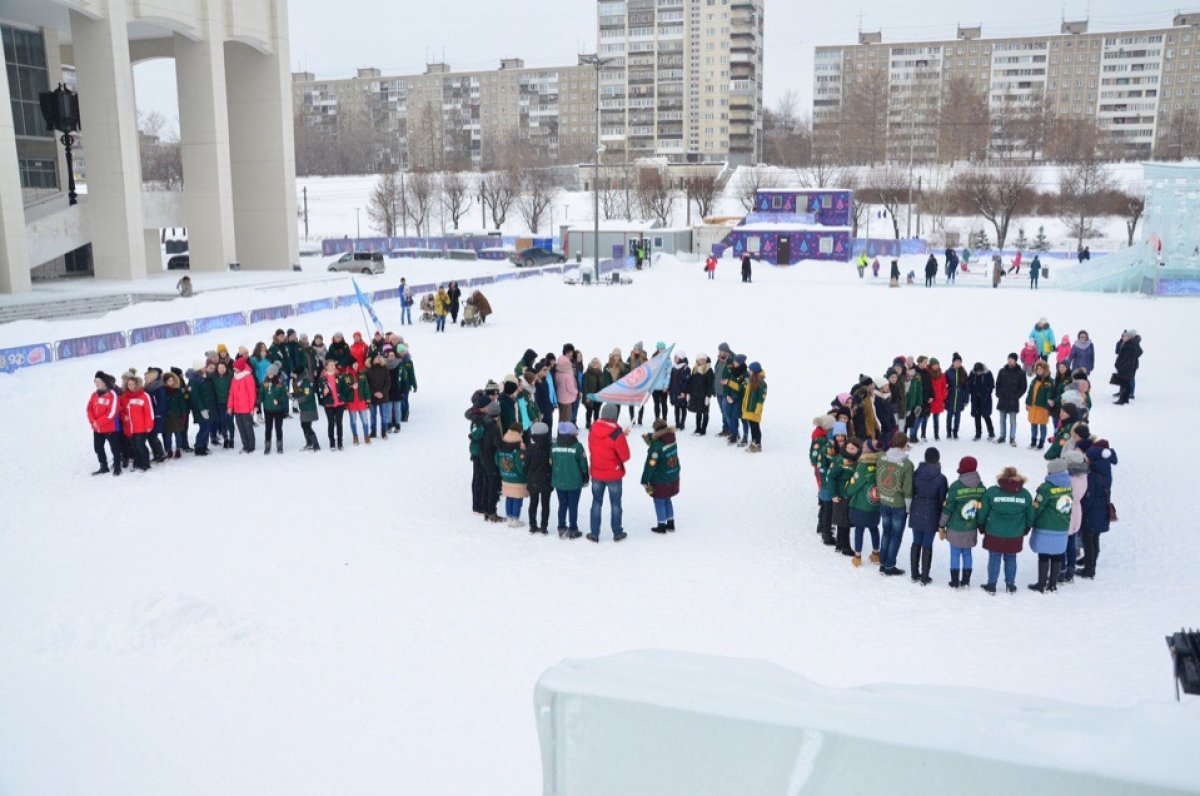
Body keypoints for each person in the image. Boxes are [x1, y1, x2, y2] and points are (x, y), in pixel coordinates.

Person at [977, 466, 1035, 595]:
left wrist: (981, 525)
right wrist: (1026, 528)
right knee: (1011, 557)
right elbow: (1030, 515)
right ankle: (1010, 585)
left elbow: (983, 511)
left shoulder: (992, 492)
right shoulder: (1025, 495)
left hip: (994, 532)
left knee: (994, 557)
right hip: (1015, 533)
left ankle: (991, 585)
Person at [587, 403, 631, 542]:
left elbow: (596, 446)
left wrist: (621, 436)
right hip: (613, 474)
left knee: (596, 502)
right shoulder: (616, 434)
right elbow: (625, 456)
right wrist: (621, 438)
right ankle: (617, 532)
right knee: (616, 504)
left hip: (596, 472)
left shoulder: (593, 429)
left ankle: (594, 534)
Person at [1028, 458, 1073, 592]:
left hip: (1046, 526)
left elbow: (1037, 507)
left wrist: (1030, 520)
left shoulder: (1046, 488)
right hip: (1062, 526)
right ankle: (1052, 584)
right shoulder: (1069, 486)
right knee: (1058, 555)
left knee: (1044, 555)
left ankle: (1041, 584)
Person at [939, 456, 984, 589]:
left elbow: (948, 509)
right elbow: (982, 508)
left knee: (955, 553)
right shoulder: (981, 487)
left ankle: (954, 581)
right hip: (970, 527)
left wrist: (941, 525)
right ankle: (966, 580)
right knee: (967, 553)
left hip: (955, 527)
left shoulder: (956, 487)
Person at [876, 432, 914, 577]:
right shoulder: (907, 464)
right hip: (898, 505)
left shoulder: (882, 458)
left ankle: (882, 562)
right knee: (896, 535)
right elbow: (907, 488)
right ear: (904, 445)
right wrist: (908, 507)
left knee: (886, 532)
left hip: (884, 500)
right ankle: (890, 565)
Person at [1077, 440, 1117, 579]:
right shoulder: (1105, 469)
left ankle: (1089, 569)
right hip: (1101, 510)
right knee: (1095, 538)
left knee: (1088, 539)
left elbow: (1089, 497)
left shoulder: (1092, 475)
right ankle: (1090, 562)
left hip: (1092, 512)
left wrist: (1082, 510)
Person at [909, 446, 948, 585]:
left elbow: (911, 490)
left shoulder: (916, 473)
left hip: (917, 509)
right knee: (927, 544)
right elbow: (942, 498)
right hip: (931, 512)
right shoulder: (940, 478)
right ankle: (925, 576)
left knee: (916, 541)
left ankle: (914, 573)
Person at [641, 418, 681, 533]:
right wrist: (649, 436)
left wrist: (645, 480)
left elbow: (651, 465)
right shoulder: (671, 439)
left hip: (660, 479)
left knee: (659, 500)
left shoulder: (656, 447)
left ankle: (661, 525)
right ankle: (670, 522)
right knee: (667, 499)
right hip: (672, 476)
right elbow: (658, 437)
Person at [847, 439, 882, 568]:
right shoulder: (880, 464)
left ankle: (857, 556)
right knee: (874, 528)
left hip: (861, 505)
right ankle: (876, 553)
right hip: (875, 505)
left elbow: (853, 486)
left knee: (859, 530)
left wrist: (848, 489)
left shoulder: (862, 466)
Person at [551, 421, 588, 538]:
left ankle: (561, 527)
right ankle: (573, 529)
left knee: (562, 504)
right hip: (574, 482)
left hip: (559, 481)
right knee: (573, 505)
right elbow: (583, 464)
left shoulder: (554, 447)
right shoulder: (577, 447)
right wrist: (585, 476)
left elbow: (552, 462)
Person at [1060, 447, 1089, 585]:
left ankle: (1061, 570)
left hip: (1067, 509)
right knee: (1071, 542)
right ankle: (1070, 570)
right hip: (1077, 510)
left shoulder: (1068, 478)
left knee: (1062, 543)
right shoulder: (1083, 476)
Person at [118, 371, 154, 472]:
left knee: (140, 445)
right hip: (129, 427)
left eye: (133, 384)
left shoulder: (144, 395)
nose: (131, 386)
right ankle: (137, 463)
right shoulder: (124, 397)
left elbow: (149, 412)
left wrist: (149, 425)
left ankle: (145, 464)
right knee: (134, 447)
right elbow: (120, 410)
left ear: (137, 384)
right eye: (129, 384)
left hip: (141, 427)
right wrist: (124, 416)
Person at [88, 372, 122, 476]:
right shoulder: (94, 395)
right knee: (98, 447)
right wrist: (93, 422)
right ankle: (103, 466)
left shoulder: (112, 394)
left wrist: (98, 422)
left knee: (114, 448)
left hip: (110, 428)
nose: (97, 384)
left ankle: (117, 467)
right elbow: (89, 409)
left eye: (99, 382)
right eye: (96, 382)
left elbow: (112, 412)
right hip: (97, 429)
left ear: (104, 382)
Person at [496, 423, 529, 528]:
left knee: (509, 497)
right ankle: (515, 519)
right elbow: (521, 466)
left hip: (506, 477)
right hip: (517, 479)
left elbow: (496, 460)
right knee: (517, 498)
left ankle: (509, 517)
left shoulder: (502, 447)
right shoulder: (518, 450)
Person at [525, 421, 553, 535]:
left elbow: (526, 465)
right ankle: (544, 525)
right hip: (546, 479)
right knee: (545, 504)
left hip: (533, 479)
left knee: (533, 503)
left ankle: (532, 524)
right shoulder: (550, 447)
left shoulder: (530, 448)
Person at [995, 353, 1027, 448]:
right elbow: (998, 384)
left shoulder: (1020, 372)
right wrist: (998, 393)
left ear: (1015, 360)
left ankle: (1012, 437)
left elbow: (1023, 387)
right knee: (1002, 419)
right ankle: (1002, 436)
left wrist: (1017, 396)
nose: (1010, 360)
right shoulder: (1002, 371)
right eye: (1009, 358)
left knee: (1013, 420)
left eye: (1012, 359)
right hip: (1003, 399)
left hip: (1013, 400)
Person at [479, 402, 504, 522]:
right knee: (493, 486)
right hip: (491, 459)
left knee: (486, 483)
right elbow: (499, 445)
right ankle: (491, 511)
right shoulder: (494, 428)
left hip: (482, 457)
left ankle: (486, 510)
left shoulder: (483, 423)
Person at [317, 359, 350, 451]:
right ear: (326, 366)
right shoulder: (322, 378)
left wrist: (343, 397)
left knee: (339, 423)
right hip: (329, 404)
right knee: (331, 424)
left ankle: (340, 443)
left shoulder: (339, 376)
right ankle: (332, 443)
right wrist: (323, 393)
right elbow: (319, 392)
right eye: (331, 365)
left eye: (334, 365)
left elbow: (345, 388)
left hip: (340, 404)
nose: (333, 366)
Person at [228, 358, 258, 453]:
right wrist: (230, 406)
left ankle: (251, 446)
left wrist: (251, 408)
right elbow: (231, 393)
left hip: (246, 408)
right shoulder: (234, 378)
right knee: (241, 427)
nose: (234, 369)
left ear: (240, 368)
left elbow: (252, 394)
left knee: (248, 427)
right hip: (237, 409)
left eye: (235, 367)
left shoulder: (248, 377)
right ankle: (245, 445)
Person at [1025, 360, 1051, 450]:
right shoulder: (1034, 380)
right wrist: (1028, 403)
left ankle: (1041, 442)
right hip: (1033, 407)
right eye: (1037, 369)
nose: (1039, 370)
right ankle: (1033, 441)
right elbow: (1030, 393)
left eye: (1041, 369)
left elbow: (1050, 395)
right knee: (1033, 424)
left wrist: (1048, 407)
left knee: (1042, 425)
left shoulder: (1049, 381)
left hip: (1042, 408)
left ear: (1045, 369)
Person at [741, 361, 767, 452]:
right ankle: (753, 443)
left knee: (755, 427)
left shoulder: (761, 383)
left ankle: (757, 444)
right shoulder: (750, 380)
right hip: (748, 409)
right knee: (752, 427)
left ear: (755, 371)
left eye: (750, 370)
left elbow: (761, 398)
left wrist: (758, 410)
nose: (749, 371)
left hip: (754, 410)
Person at [261, 371, 289, 454]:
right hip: (268, 410)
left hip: (278, 410)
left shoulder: (280, 384)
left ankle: (279, 446)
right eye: (268, 373)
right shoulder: (264, 384)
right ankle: (267, 446)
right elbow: (261, 395)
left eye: (271, 373)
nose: (269, 375)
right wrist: (256, 404)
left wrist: (279, 400)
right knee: (268, 428)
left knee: (278, 428)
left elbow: (284, 395)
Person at [366, 355, 392, 439]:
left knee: (384, 415)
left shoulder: (385, 369)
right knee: (372, 415)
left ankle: (384, 432)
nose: (378, 359)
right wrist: (374, 393)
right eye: (376, 358)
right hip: (372, 396)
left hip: (383, 396)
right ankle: (373, 432)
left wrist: (382, 393)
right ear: (372, 360)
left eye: (379, 358)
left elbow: (388, 383)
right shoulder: (368, 370)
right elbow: (367, 384)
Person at [688, 354, 714, 436]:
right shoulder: (695, 369)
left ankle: (703, 430)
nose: (702, 361)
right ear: (697, 360)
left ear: (706, 360)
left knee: (705, 412)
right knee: (698, 412)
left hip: (704, 395)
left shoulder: (709, 370)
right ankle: (697, 428)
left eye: (703, 359)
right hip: (695, 394)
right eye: (700, 359)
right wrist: (689, 393)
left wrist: (708, 396)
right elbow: (691, 382)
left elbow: (710, 384)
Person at [1113, 330, 1142, 405]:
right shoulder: (1133, 343)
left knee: (1124, 383)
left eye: (1125, 336)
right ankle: (1125, 398)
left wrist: (1119, 364)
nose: (1123, 337)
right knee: (1126, 382)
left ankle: (1122, 400)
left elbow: (1124, 357)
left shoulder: (1130, 345)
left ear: (1129, 337)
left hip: (1126, 367)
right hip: (1129, 366)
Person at [294, 371, 320, 452]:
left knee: (307, 426)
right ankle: (309, 443)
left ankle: (316, 445)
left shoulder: (306, 383)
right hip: (304, 408)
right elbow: (300, 393)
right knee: (304, 425)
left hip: (309, 408)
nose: (293, 375)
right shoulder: (299, 382)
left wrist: (298, 400)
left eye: (295, 374)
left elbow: (307, 396)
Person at [944, 354, 968, 440]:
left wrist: (966, 400)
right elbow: (944, 385)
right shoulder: (948, 372)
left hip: (960, 398)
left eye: (960, 362)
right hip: (950, 397)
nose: (958, 363)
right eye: (956, 361)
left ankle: (955, 432)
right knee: (949, 416)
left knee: (958, 416)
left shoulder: (963, 372)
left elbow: (966, 387)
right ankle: (948, 432)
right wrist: (944, 398)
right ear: (953, 362)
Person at [555, 344, 579, 424]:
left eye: (571, 352)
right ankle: (564, 436)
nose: (570, 354)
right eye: (568, 352)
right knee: (567, 419)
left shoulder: (558, 372)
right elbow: (570, 388)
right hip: (567, 399)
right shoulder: (567, 375)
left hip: (560, 398)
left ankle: (560, 434)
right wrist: (576, 391)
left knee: (561, 417)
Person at [582, 357, 606, 429]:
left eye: (596, 363)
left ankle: (596, 423)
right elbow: (584, 386)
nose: (595, 364)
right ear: (591, 364)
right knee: (589, 410)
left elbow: (603, 384)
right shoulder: (587, 374)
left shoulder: (601, 374)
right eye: (593, 362)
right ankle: (588, 423)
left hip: (598, 396)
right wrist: (587, 397)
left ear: (599, 364)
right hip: (590, 396)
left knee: (597, 411)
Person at [669, 351, 691, 431]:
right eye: (674, 357)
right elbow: (671, 380)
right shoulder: (674, 368)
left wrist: (684, 392)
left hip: (682, 392)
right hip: (675, 391)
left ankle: (682, 423)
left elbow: (687, 381)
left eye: (676, 357)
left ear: (681, 358)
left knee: (683, 407)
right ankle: (677, 423)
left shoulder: (686, 368)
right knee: (676, 407)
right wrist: (670, 390)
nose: (675, 358)